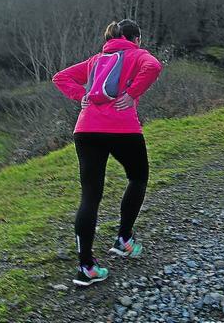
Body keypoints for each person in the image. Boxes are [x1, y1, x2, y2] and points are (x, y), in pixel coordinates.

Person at [52, 19, 163, 286]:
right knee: (138, 177)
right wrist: (133, 92)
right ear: (136, 38)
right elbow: (154, 66)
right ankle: (124, 239)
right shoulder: (138, 54)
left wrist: (81, 96)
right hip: (123, 129)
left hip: (87, 129)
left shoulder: (95, 60)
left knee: (90, 196)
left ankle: (86, 267)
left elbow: (60, 77)